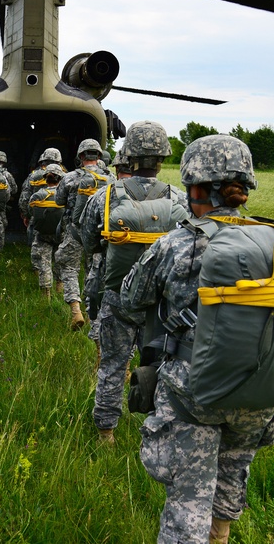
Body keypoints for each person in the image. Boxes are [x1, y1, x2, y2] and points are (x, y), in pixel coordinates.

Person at [119, 135, 274, 544]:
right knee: (231, 476)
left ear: (195, 188)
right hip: (261, 390)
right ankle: (220, 536)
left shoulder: (177, 244)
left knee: (188, 503)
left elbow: (131, 298)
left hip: (197, 390)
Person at [79, 122, 188, 445]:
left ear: (128, 156)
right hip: (163, 303)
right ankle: (160, 427)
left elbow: (89, 241)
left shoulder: (107, 196)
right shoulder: (178, 197)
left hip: (118, 296)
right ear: (163, 158)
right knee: (165, 365)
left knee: (112, 365)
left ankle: (106, 431)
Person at [55, 138, 114, 329]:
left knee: (69, 268)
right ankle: (92, 315)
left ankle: (75, 310)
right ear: (98, 155)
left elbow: (58, 201)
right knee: (93, 272)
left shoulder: (70, 177)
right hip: (100, 234)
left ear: (80, 156)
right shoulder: (110, 178)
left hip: (75, 232)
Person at [25, 164, 66, 297]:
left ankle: (46, 291)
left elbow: (31, 212)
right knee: (60, 259)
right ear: (60, 178)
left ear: (45, 179)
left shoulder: (36, 196)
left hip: (43, 234)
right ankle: (60, 284)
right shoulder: (65, 195)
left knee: (44, 262)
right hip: (61, 233)